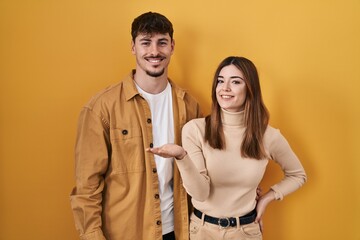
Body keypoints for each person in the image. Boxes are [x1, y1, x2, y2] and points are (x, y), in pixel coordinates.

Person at [70, 12, 202, 240]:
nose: (154, 51)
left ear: (172, 46)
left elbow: (204, 169)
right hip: (126, 233)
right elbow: (87, 188)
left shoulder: (190, 106)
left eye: (162, 42)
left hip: (178, 231)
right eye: (145, 42)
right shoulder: (102, 108)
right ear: (133, 47)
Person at [147, 56, 307, 240]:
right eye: (220, 81)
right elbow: (200, 193)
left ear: (250, 88)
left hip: (246, 232)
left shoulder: (268, 136)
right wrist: (182, 156)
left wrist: (266, 199)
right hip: (202, 231)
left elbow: (298, 175)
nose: (225, 88)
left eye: (236, 82)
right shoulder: (196, 129)